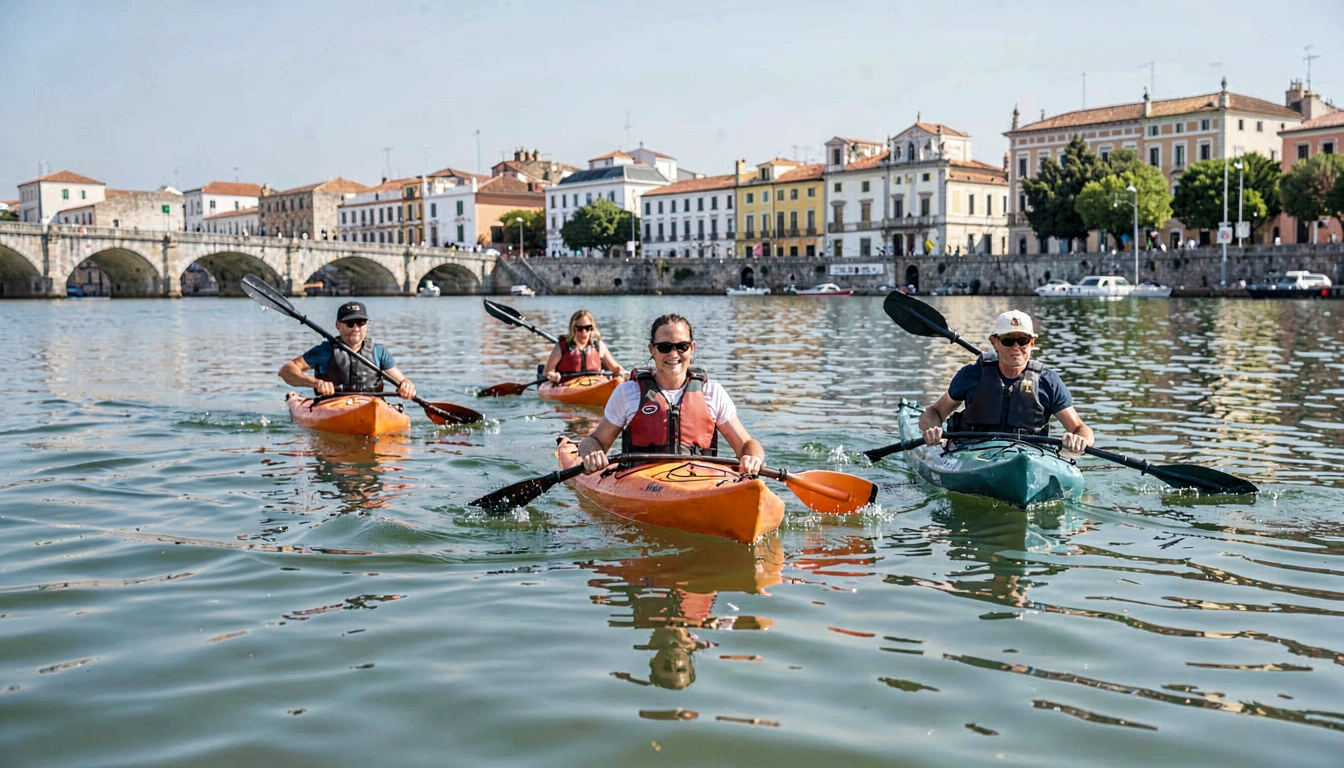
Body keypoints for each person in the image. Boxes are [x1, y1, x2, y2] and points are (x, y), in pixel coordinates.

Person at [576, 313, 764, 475]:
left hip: (700, 480)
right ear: (652, 350)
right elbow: (594, 441)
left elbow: (746, 443)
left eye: (681, 346)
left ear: (692, 348)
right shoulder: (628, 393)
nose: (673, 354)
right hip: (643, 481)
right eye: (664, 347)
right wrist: (592, 453)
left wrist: (752, 457)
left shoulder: (713, 393)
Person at [918, 310, 1093, 455]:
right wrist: (934, 430)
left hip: (1028, 455)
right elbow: (934, 412)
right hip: (972, 452)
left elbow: (1080, 428)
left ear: (1032, 343)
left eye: (1023, 341)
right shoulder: (970, 375)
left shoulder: (1049, 382)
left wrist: (1080, 440)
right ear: (995, 343)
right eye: (1008, 341)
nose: (1016, 348)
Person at [279, 301, 415, 399]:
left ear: (367, 325)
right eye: (350, 323)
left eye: (360, 323)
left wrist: (407, 386)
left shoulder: (379, 351)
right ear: (338, 325)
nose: (355, 328)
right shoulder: (325, 350)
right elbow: (285, 371)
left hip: (372, 405)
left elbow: (403, 381)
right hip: (333, 405)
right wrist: (316, 383)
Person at [544, 310, 626, 384]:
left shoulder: (599, 346)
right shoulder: (561, 347)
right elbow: (548, 371)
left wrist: (619, 372)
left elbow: (616, 368)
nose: (584, 332)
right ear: (573, 328)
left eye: (587, 328)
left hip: (596, 385)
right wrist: (553, 376)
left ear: (592, 329)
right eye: (580, 328)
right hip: (568, 386)